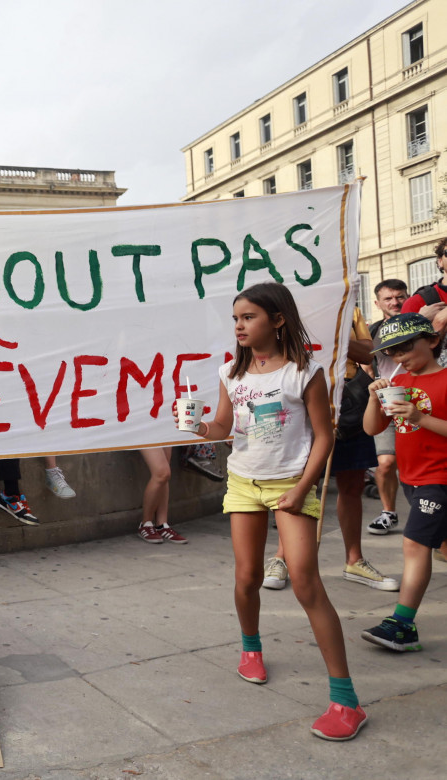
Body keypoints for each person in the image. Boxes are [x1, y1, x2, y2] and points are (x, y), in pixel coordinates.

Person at [186, 281, 366, 741]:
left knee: (305, 581)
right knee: (246, 577)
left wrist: (301, 488)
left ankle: (346, 701)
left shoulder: (305, 371)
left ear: (278, 319)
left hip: (293, 483)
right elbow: (223, 426)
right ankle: (250, 650)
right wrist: (198, 424)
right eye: (236, 318)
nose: (239, 325)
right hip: (244, 481)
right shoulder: (232, 372)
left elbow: (324, 436)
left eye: (249, 317)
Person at [261, 307, 397, 591]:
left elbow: (367, 354)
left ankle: (354, 559)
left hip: (347, 401)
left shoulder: (349, 307)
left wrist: (335, 338)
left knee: (351, 483)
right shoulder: (279, 308)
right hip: (297, 397)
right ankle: (281, 558)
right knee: (294, 480)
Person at [361, 313, 447, 652]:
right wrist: (372, 397)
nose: (400, 356)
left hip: (438, 479)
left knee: (414, 544)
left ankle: (402, 624)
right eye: (393, 352)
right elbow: (372, 429)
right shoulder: (401, 384)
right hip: (411, 479)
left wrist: (420, 417)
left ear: (433, 341)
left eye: (406, 346)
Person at [367, 279, 409, 534]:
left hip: (420, 398)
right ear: (378, 303)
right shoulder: (372, 331)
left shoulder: (418, 325)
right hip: (386, 402)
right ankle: (388, 512)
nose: (395, 302)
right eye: (388, 298)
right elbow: (366, 361)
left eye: (400, 296)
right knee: (384, 463)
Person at [136, 447, 188, 543]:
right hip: (142, 431)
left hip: (164, 431)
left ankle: (161, 525)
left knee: (165, 472)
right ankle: (145, 524)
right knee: (162, 473)